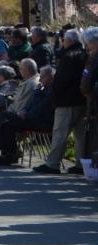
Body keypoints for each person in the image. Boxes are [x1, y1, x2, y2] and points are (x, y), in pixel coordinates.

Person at [35, 28, 91, 174]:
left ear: (69, 41)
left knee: (60, 133)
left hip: (66, 100)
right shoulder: (86, 55)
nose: (62, 42)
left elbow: (61, 81)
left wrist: (55, 95)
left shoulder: (68, 56)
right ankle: (81, 164)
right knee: (81, 135)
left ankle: (52, 164)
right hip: (83, 100)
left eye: (64, 40)